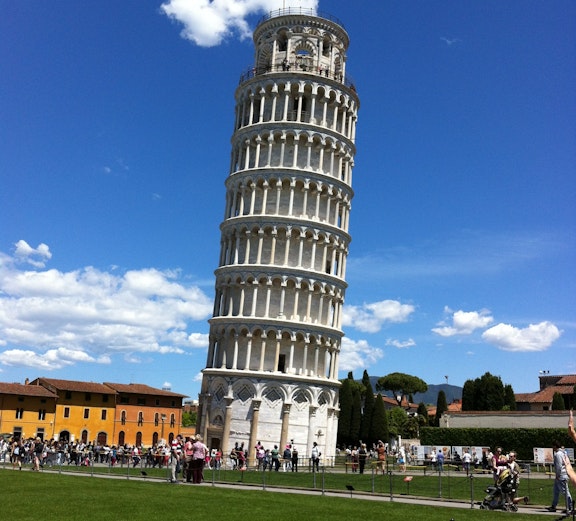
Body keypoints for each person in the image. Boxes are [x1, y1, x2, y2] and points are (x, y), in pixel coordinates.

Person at [547, 440, 573, 513]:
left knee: (565, 492)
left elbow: (558, 466)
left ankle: (570, 507)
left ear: (555, 446)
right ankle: (553, 506)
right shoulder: (563, 452)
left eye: (553, 446)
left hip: (561, 475)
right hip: (562, 475)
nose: (552, 448)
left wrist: (558, 475)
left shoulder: (558, 454)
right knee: (556, 491)